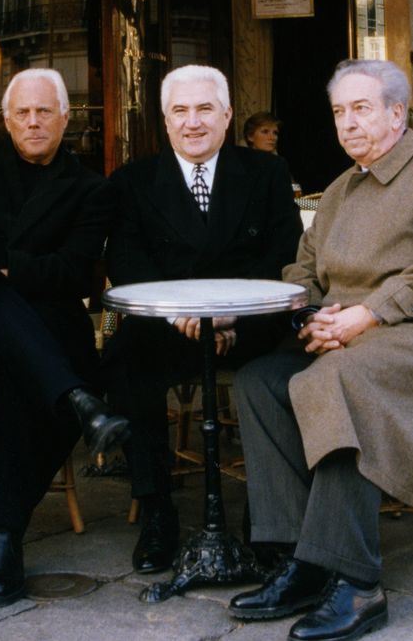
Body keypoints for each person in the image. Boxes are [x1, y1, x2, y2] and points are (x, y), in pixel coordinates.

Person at [226, 59, 413, 641]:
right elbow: (303, 270)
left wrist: (366, 315)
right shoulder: (340, 190)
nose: (348, 124)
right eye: (338, 113)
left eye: (362, 109)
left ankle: (357, 582)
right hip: (353, 336)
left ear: (397, 113)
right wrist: (312, 317)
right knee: (258, 382)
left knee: (340, 379)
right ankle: (304, 560)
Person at [0, 68, 129, 609]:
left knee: (20, 378)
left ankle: (3, 540)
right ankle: (80, 401)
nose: (33, 122)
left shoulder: (90, 187)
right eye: (22, 113)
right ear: (6, 120)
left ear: (65, 117)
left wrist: (4, 272)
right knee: (5, 319)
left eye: (44, 112)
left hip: (46, 324)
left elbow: (79, 273)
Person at [102, 65, 303, 574]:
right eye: (181, 111)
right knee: (125, 362)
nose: (193, 123)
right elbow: (127, 263)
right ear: (165, 121)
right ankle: (157, 513)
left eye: (205, 109)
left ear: (228, 114)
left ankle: (268, 519)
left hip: (249, 325)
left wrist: (233, 315)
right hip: (173, 327)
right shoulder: (132, 181)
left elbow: (284, 254)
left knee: (294, 366)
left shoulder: (267, 173)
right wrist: (179, 314)